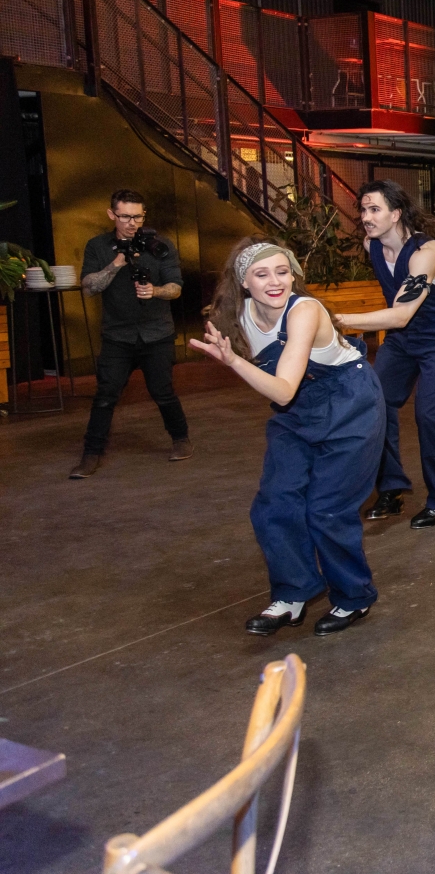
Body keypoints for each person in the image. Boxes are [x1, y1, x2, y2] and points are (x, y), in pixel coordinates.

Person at [188, 238, 382, 636]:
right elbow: (283, 391)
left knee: (326, 509)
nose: (275, 281)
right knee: (274, 502)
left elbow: (282, 390)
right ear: (244, 282)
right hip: (297, 413)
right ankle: (293, 595)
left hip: (350, 404)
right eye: (261, 274)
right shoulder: (237, 317)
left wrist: (233, 361)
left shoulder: (304, 311)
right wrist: (232, 356)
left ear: (294, 275)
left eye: (283, 271)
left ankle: (353, 597)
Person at [334, 180, 435, 530]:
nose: (365, 217)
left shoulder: (427, 252)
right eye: (363, 210)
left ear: (396, 214)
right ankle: (391, 488)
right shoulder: (372, 245)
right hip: (402, 340)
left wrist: (338, 321)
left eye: (374, 209)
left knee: (429, 416)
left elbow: (401, 313)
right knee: (375, 404)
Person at [70, 190, 191, 479]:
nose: (132, 223)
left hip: (156, 333)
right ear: (111, 214)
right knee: (105, 395)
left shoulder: (160, 245)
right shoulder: (98, 246)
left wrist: (155, 291)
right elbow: (88, 287)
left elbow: (176, 287)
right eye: (125, 216)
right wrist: (116, 263)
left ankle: (181, 439)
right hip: (117, 335)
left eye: (138, 216)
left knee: (163, 391)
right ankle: (91, 454)